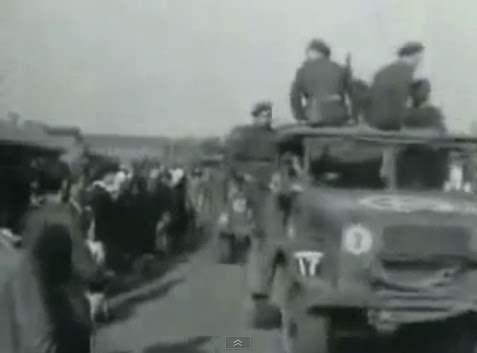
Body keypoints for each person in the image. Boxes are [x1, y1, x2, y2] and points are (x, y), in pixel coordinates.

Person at [289, 39, 350, 126]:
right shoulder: (340, 69)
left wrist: (300, 117)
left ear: (313, 52)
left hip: (314, 117)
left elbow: (294, 96)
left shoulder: (303, 70)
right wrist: (353, 117)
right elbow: (353, 95)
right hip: (339, 117)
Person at [366, 41, 424, 130]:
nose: (420, 62)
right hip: (394, 123)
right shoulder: (410, 72)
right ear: (415, 56)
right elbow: (420, 98)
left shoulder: (381, 71)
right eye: (419, 58)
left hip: (373, 122)